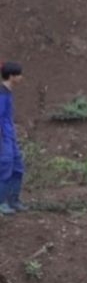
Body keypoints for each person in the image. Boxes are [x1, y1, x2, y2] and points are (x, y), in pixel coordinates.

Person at [0, 61, 26, 215]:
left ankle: (13, 200)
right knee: (4, 168)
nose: (21, 77)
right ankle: (1, 203)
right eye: (19, 75)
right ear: (11, 76)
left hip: (10, 137)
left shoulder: (8, 92)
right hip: (3, 138)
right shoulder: (1, 95)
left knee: (18, 167)